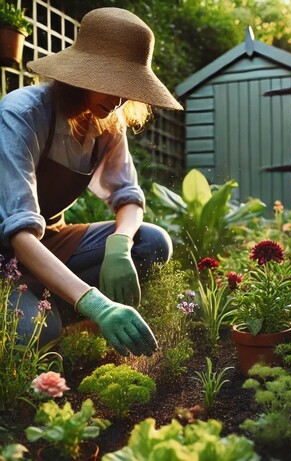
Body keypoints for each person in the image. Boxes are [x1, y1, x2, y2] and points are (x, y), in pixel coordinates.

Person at [0, 7, 183, 357]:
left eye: (126, 88)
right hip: (8, 251)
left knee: (151, 243)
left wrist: (119, 244)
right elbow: (19, 235)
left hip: (50, 243)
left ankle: (55, 301)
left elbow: (128, 196)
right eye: (109, 85)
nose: (117, 100)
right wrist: (96, 302)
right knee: (36, 333)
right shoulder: (21, 115)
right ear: (80, 74)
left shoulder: (108, 124)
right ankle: (62, 310)